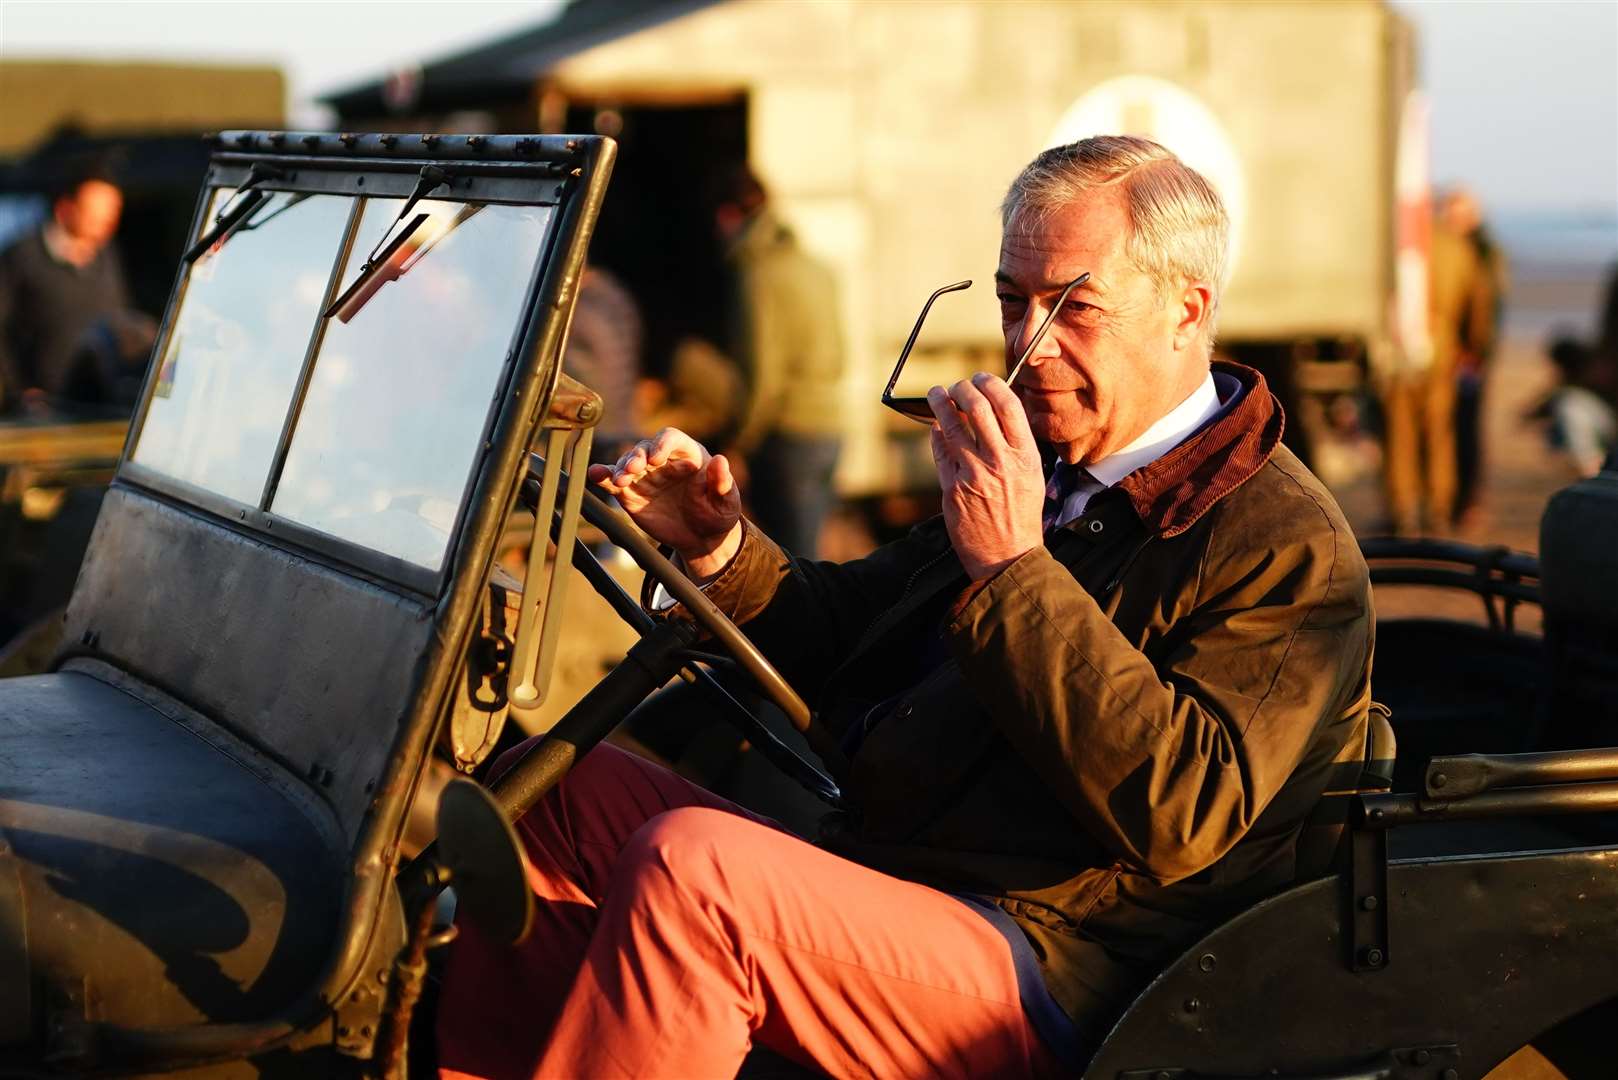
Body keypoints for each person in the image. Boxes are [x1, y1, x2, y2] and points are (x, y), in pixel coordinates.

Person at [437, 136, 1374, 1079]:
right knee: (548, 788)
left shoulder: (1284, 543)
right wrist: (719, 544)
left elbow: (1180, 815)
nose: (1026, 344)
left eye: (1072, 308)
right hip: (907, 872)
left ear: (1189, 309)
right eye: (1013, 301)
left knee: (699, 875)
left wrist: (1012, 567)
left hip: (1076, 965)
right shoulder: (1057, 470)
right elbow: (853, 629)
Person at [715, 164, 846, 558]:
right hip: (830, 426)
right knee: (810, 552)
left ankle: (813, 624)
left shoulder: (758, 275)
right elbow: (841, 352)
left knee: (792, 565)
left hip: (787, 434)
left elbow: (763, 377)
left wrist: (738, 441)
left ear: (727, 215)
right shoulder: (816, 266)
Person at [0, 164, 153, 415]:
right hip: (43, 413)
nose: (107, 220)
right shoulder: (21, 257)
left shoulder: (108, 258)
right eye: (95, 211)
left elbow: (121, 322)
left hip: (102, 406)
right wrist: (19, 390)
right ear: (65, 208)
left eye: (112, 211)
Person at [1444, 189, 1507, 528]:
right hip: (1448, 352)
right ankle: (1452, 499)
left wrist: (1477, 351)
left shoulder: (1484, 252)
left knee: (1468, 426)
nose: (1452, 219)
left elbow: (1488, 307)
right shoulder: (1447, 247)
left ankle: (1470, 500)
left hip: (1471, 355)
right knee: (1449, 428)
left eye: (1459, 212)